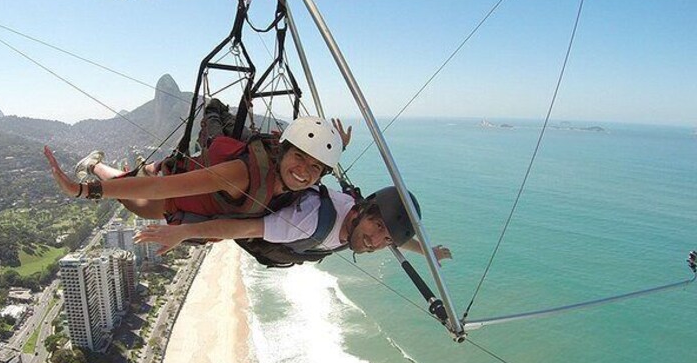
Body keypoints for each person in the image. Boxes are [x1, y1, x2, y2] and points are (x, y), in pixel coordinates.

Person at [44, 116, 349, 223]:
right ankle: (94, 166)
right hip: (168, 200)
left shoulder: (298, 175)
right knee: (131, 194)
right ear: (282, 151)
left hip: (183, 172)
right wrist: (82, 190)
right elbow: (158, 190)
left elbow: (309, 168)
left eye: (315, 168)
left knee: (149, 171)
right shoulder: (242, 175)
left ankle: (131, 167)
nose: (304, 171)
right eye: (299, 158)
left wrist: (336, 148)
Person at [135, 184, 452, 266]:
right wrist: (184, 232)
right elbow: (242, 230)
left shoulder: (366, 229)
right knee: (145, 205)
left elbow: (396, 240)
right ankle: (100, 171)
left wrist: (428, 252)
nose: (376, 241)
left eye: (385, 238)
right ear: (361, 211)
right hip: (244, 224)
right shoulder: (307, 220)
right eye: (377, 226)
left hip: (283, 240)